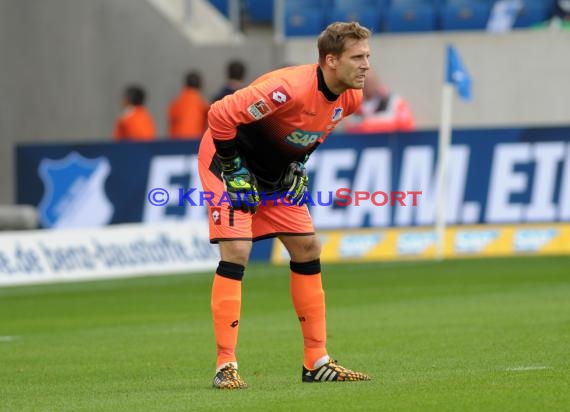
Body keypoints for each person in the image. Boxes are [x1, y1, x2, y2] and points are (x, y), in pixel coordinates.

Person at [198, 21, 372, 389]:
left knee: (307, 245)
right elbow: (218, 115)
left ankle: (317, 361)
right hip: (226, 157)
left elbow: (314, 130)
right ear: (330, 60)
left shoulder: (351, 99)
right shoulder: (287, 89)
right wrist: (232, 169)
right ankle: (224, 365)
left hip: (272, 170)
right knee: (237, 249)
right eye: (357, 57)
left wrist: (297, 163)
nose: (366, 65)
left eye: (367, 56)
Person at [343, 68, 415, 134]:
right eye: (365, 81)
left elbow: (406, 123)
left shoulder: (393, 100)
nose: (368, 85)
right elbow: (350, 126)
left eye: (371, 81)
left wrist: (367, 124)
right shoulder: (353, 104)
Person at [168, 70, 210, 139]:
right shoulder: (202, 103)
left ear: (186, 84)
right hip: (195, 142)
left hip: (176, 143)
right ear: (200, 85)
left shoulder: (175, 103)